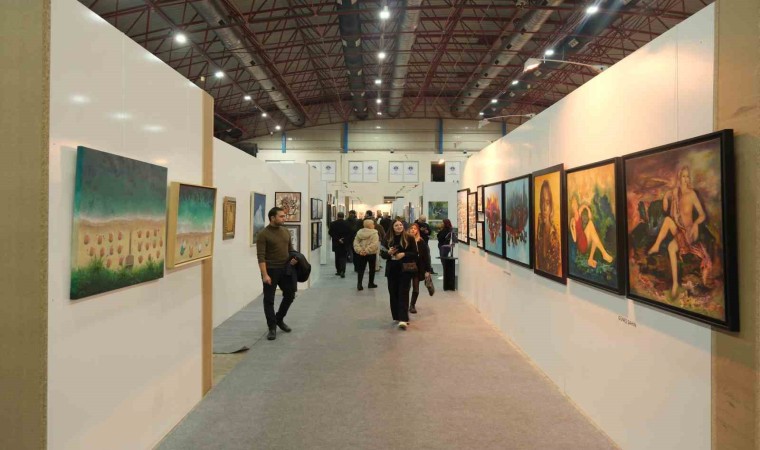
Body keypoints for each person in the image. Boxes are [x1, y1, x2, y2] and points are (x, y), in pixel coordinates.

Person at [647, 166, 708, 297]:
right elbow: (668, 199)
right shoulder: (676, 192)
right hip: (680, 232)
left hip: (690, 233)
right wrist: (665, 198)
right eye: (683, 176)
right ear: (679, 178)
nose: (686, 179)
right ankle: (675, 284)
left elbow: (702, 215)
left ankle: (656, 245)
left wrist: (696, 224)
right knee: (670, 246)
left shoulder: (692, 194)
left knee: (668, 221)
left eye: (687, 176)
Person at [257, 207, 299, 341]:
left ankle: (279, 319)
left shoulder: (285, 231)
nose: (284, 218)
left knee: (290, 295)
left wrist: (293, 259)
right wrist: (265, 274)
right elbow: (261, 257)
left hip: (286, 269)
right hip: (271, 270)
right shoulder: (263, 234)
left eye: (284, 216)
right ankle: (272, 327)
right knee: (269, 299)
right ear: (272, 218)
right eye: (281, 216)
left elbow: (291, 249)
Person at [381, 220, 418, 330]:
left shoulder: (409, 238)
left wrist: (404, 254)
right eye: (396, 225)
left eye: (400, 225)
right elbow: (382, 255)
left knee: (403, 293)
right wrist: (388, 253)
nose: (399, 227)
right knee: (393, 293)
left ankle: (403, 319)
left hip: (405, 270)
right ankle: (397, 316)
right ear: (392, 227)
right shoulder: (387, 239)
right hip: (392, 269)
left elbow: (415, 254)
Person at [569, 195, 614, 268]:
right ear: (571, 206)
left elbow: (589, 216)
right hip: (581, 243)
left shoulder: (579, 212)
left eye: (576, 202)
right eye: (573, 204)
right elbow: (574, 239)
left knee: (593, 232)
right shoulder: (573, 220)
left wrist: (586, 208)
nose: (575, 204)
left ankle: (590, 259)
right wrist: (571, 227)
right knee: (592, 229)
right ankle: (604, 254)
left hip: (584, 236)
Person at [536, 180, 561, 275]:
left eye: (547, 203)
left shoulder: (554, 234)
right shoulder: (540, 231)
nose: (544, 208)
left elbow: (557, 271)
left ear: (551, 206)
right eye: (542, 202)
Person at [408, 223, 432, 314]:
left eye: (415, 228)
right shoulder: (405, 240)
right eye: (411, 228)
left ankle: (412, 305)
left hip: (417, 268)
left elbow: (426, 257)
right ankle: (404, 304)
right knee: (405, 288)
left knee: (416, 288)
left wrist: (428, 270)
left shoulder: (421, 241)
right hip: (406, 267)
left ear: (417, 231)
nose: (413, 230)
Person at [353, 219, 379, 290]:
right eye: (373, 224)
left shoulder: (359, 232)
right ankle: (371, 283)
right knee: (372, 269)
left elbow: (356, 243)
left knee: (361, 269)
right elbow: (374, 244)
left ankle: (359, 284)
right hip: (371, 254)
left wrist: (360, 251)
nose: (374, 225)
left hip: (361, 254)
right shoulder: (374, 233)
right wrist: (367, 251)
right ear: (370, 225)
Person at [328, 211, 351, 278]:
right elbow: (350, 233)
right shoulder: (347, 223)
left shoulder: (333, 223)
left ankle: (338, 271)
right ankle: (343, 271)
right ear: (343, 216)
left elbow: (330, 232)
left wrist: (338, 239)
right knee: (343, 257)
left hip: (336, 243)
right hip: (344, 243)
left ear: (337, 216)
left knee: (337, 257)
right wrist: (344, 239)